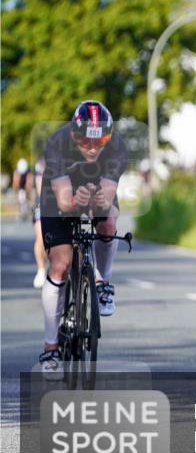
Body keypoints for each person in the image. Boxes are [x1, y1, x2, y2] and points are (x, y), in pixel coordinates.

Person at [37, 101, 128, 379]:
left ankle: (103, 283)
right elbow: (65, 203)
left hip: (95, 187)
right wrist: (78, 201)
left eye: (99, 141)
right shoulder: (57, 144)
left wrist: (100, 202)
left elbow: (108, 197)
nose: (91, 147)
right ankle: (51, 347)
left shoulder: (117, 148)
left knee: (109, 219)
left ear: (108, 137)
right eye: (84, 141)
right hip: (59, 195)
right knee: (61, 265)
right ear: (74, 135)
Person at [32, 158, 48, 289]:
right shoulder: (41, 163)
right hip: (44, 204)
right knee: (41, 234)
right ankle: (41, 269)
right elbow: (40, 189)